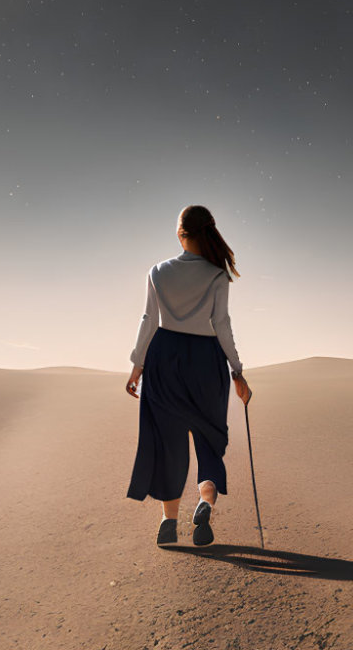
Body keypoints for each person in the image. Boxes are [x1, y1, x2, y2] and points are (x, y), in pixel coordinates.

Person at [125, 205, 252, 547]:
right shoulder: (217, 276)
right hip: (206, 361)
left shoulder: (157, 272)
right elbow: (222, 325)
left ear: (180, 232)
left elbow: (148, 320)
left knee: (168, 440)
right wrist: (237, 371)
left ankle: (168, 523)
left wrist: (137, 365)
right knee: (207, 436)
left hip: (164, 358)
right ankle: (205, 501)